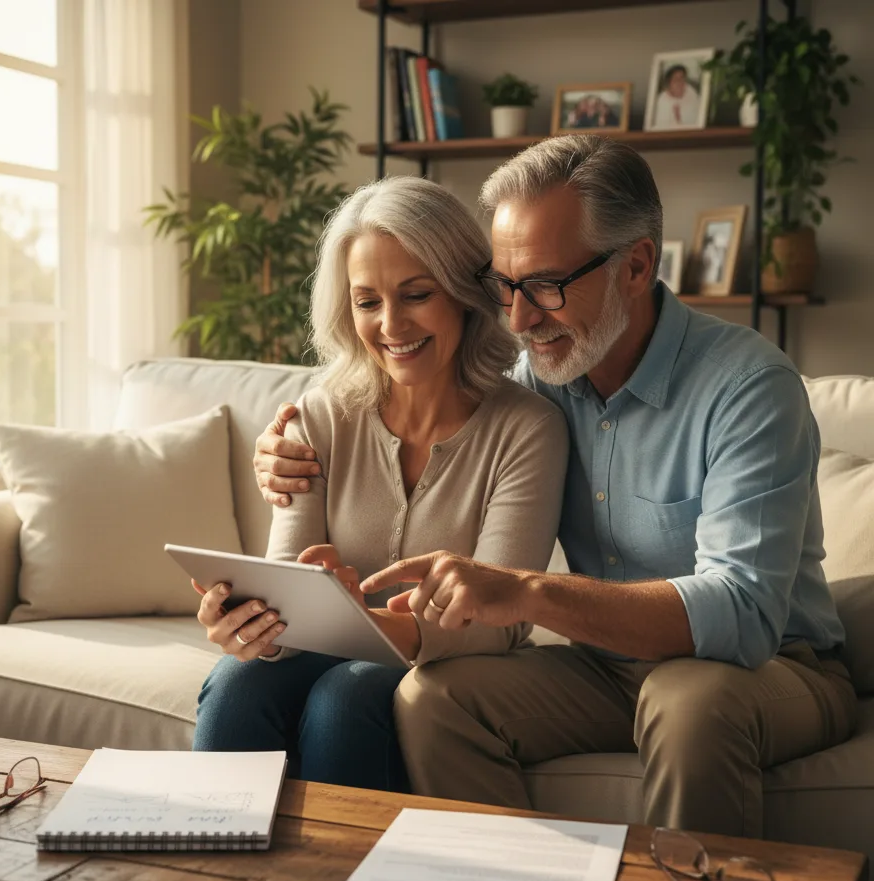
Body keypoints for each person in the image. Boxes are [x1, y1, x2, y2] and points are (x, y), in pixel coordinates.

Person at [254, 135, 857, 838]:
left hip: (775, 667)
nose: (517, 318)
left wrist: (528, 591)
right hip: (603, 669)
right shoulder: (538, 375)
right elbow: (434, 424)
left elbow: (744, 615)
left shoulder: (748, 388)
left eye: (545, 284)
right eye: (505, 286)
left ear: (636, 265)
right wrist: (284, 451)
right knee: (433, 699)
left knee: (686, 700)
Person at [193, 175, 568, 793]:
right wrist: (250, 625)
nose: (391, 325)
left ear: (464, 293)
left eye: (416, 294)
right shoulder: (319, 415)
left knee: (348, 694)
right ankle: (217, 878)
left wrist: (355, 620)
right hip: (337, 645)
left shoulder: (528, 428)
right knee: (238, 683)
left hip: (449, 660)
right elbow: (287, 588)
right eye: (367, 302)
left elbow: (502, 620)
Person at [652, 64, 701, 129]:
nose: (680, 82)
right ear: (669, 83)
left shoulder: (691, 93)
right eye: (676, 79)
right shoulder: (661, 101)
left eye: (682, 78)